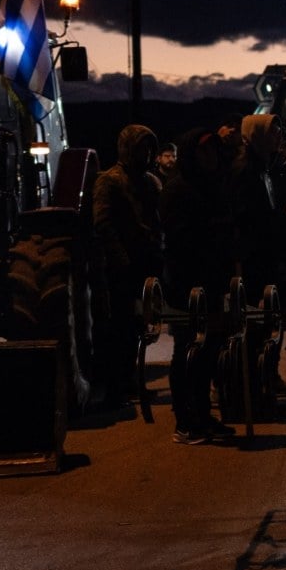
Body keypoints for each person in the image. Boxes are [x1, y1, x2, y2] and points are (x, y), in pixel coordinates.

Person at [159, 127, 237, 443]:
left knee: (209, 350)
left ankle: (203, 415)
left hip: (213, 281)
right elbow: (178, 238)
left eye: (213, 150)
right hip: (186, 283)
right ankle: (185, 420)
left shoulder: (213, 186)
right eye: (204, 151)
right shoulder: (178, 189)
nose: (210, 156)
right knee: (187, 349)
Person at [91, 124, 163, 408]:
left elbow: (157, 221)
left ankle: (130, 380)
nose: (147, 154)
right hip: (118, 268)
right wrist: (120, 258)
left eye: (149, 148)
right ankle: (116, 388)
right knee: (118, 327)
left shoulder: (150, 182)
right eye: (141, 148)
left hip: (144, 263)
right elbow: (102, 223)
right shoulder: (109, 181)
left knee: (137, 326)